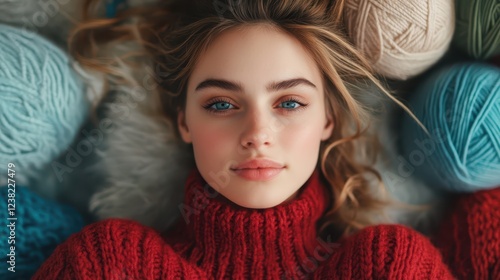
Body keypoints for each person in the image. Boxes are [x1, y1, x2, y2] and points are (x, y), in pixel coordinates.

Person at [33, 0, 499, 279]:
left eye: (290, 103)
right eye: (221, 104)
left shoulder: (391, 266)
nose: (257, 135)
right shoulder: (110, 265)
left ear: (328, 120)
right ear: (184, 123)